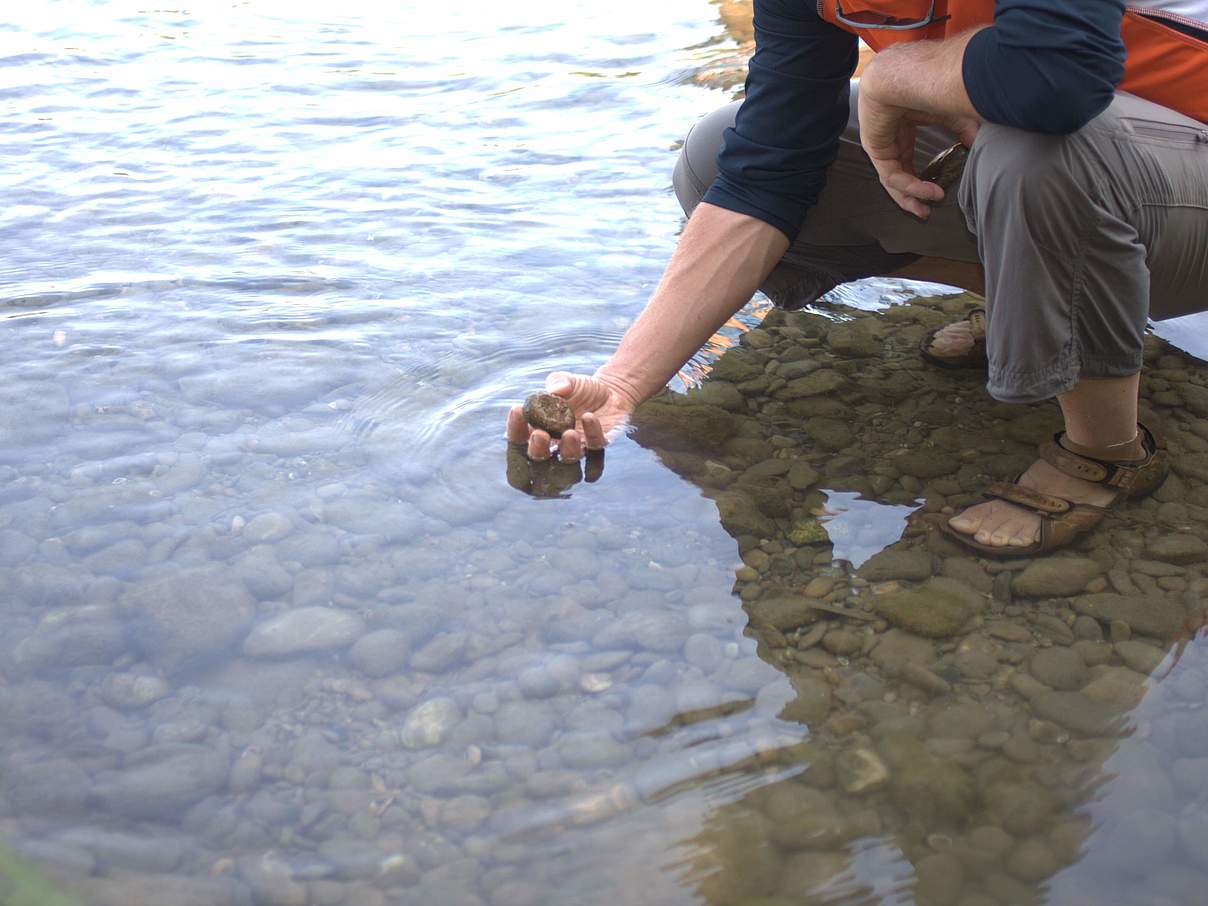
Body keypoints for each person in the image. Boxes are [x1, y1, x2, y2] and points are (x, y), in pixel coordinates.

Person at [508, 0, 1208, 557]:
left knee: (1031, 144)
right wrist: (624, 384)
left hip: (1169, 156)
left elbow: (1056, 74)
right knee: (715, 156)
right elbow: (767, 172)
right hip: (1119, 161)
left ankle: (1107, 452)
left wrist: (891, 78)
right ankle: (1038, 316)